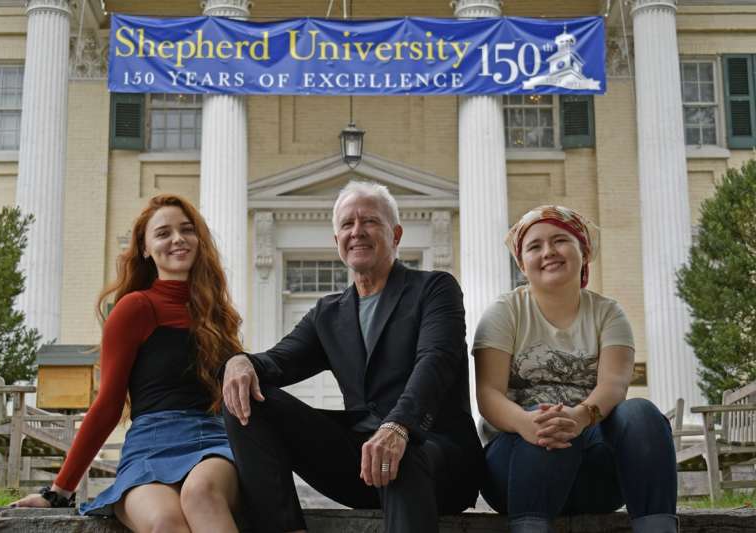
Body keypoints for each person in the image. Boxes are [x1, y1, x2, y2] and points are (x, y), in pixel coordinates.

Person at [222, 181, 483, 533]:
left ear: (396, 235)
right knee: (244, 398)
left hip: (439, 459)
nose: (357, 231)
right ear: (337, 241)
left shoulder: (434, 289)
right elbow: (278, 362)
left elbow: (436, 361)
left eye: (370, 221)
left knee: (401, 456)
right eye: (347, 224)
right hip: (362, 465)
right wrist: (239, 362)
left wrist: (399, 426)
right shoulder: (329, 314)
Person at [12, 194, 243, 533]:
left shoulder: (218, 315)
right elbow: (108, 405)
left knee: (201, 493)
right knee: (164, 522)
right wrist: (60, 490)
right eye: (163, 233)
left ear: (199, 240)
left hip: (212, 443)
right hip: (149, 447)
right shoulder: (135, 308)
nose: (177, 239)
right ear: (146, 248)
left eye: (187, 230)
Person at [473, 205, 677, 533]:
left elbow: (613, 386)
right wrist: (527, 423)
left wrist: (579, 418)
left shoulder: (608, 313)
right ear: (522, 264)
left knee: (641, 413)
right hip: (514, 469)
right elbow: (488, 394)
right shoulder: (504, 311)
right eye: (535, 246)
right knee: (546, 423)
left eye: (560, 240)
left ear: (583, 250)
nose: (548, 252)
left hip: (594, 469)